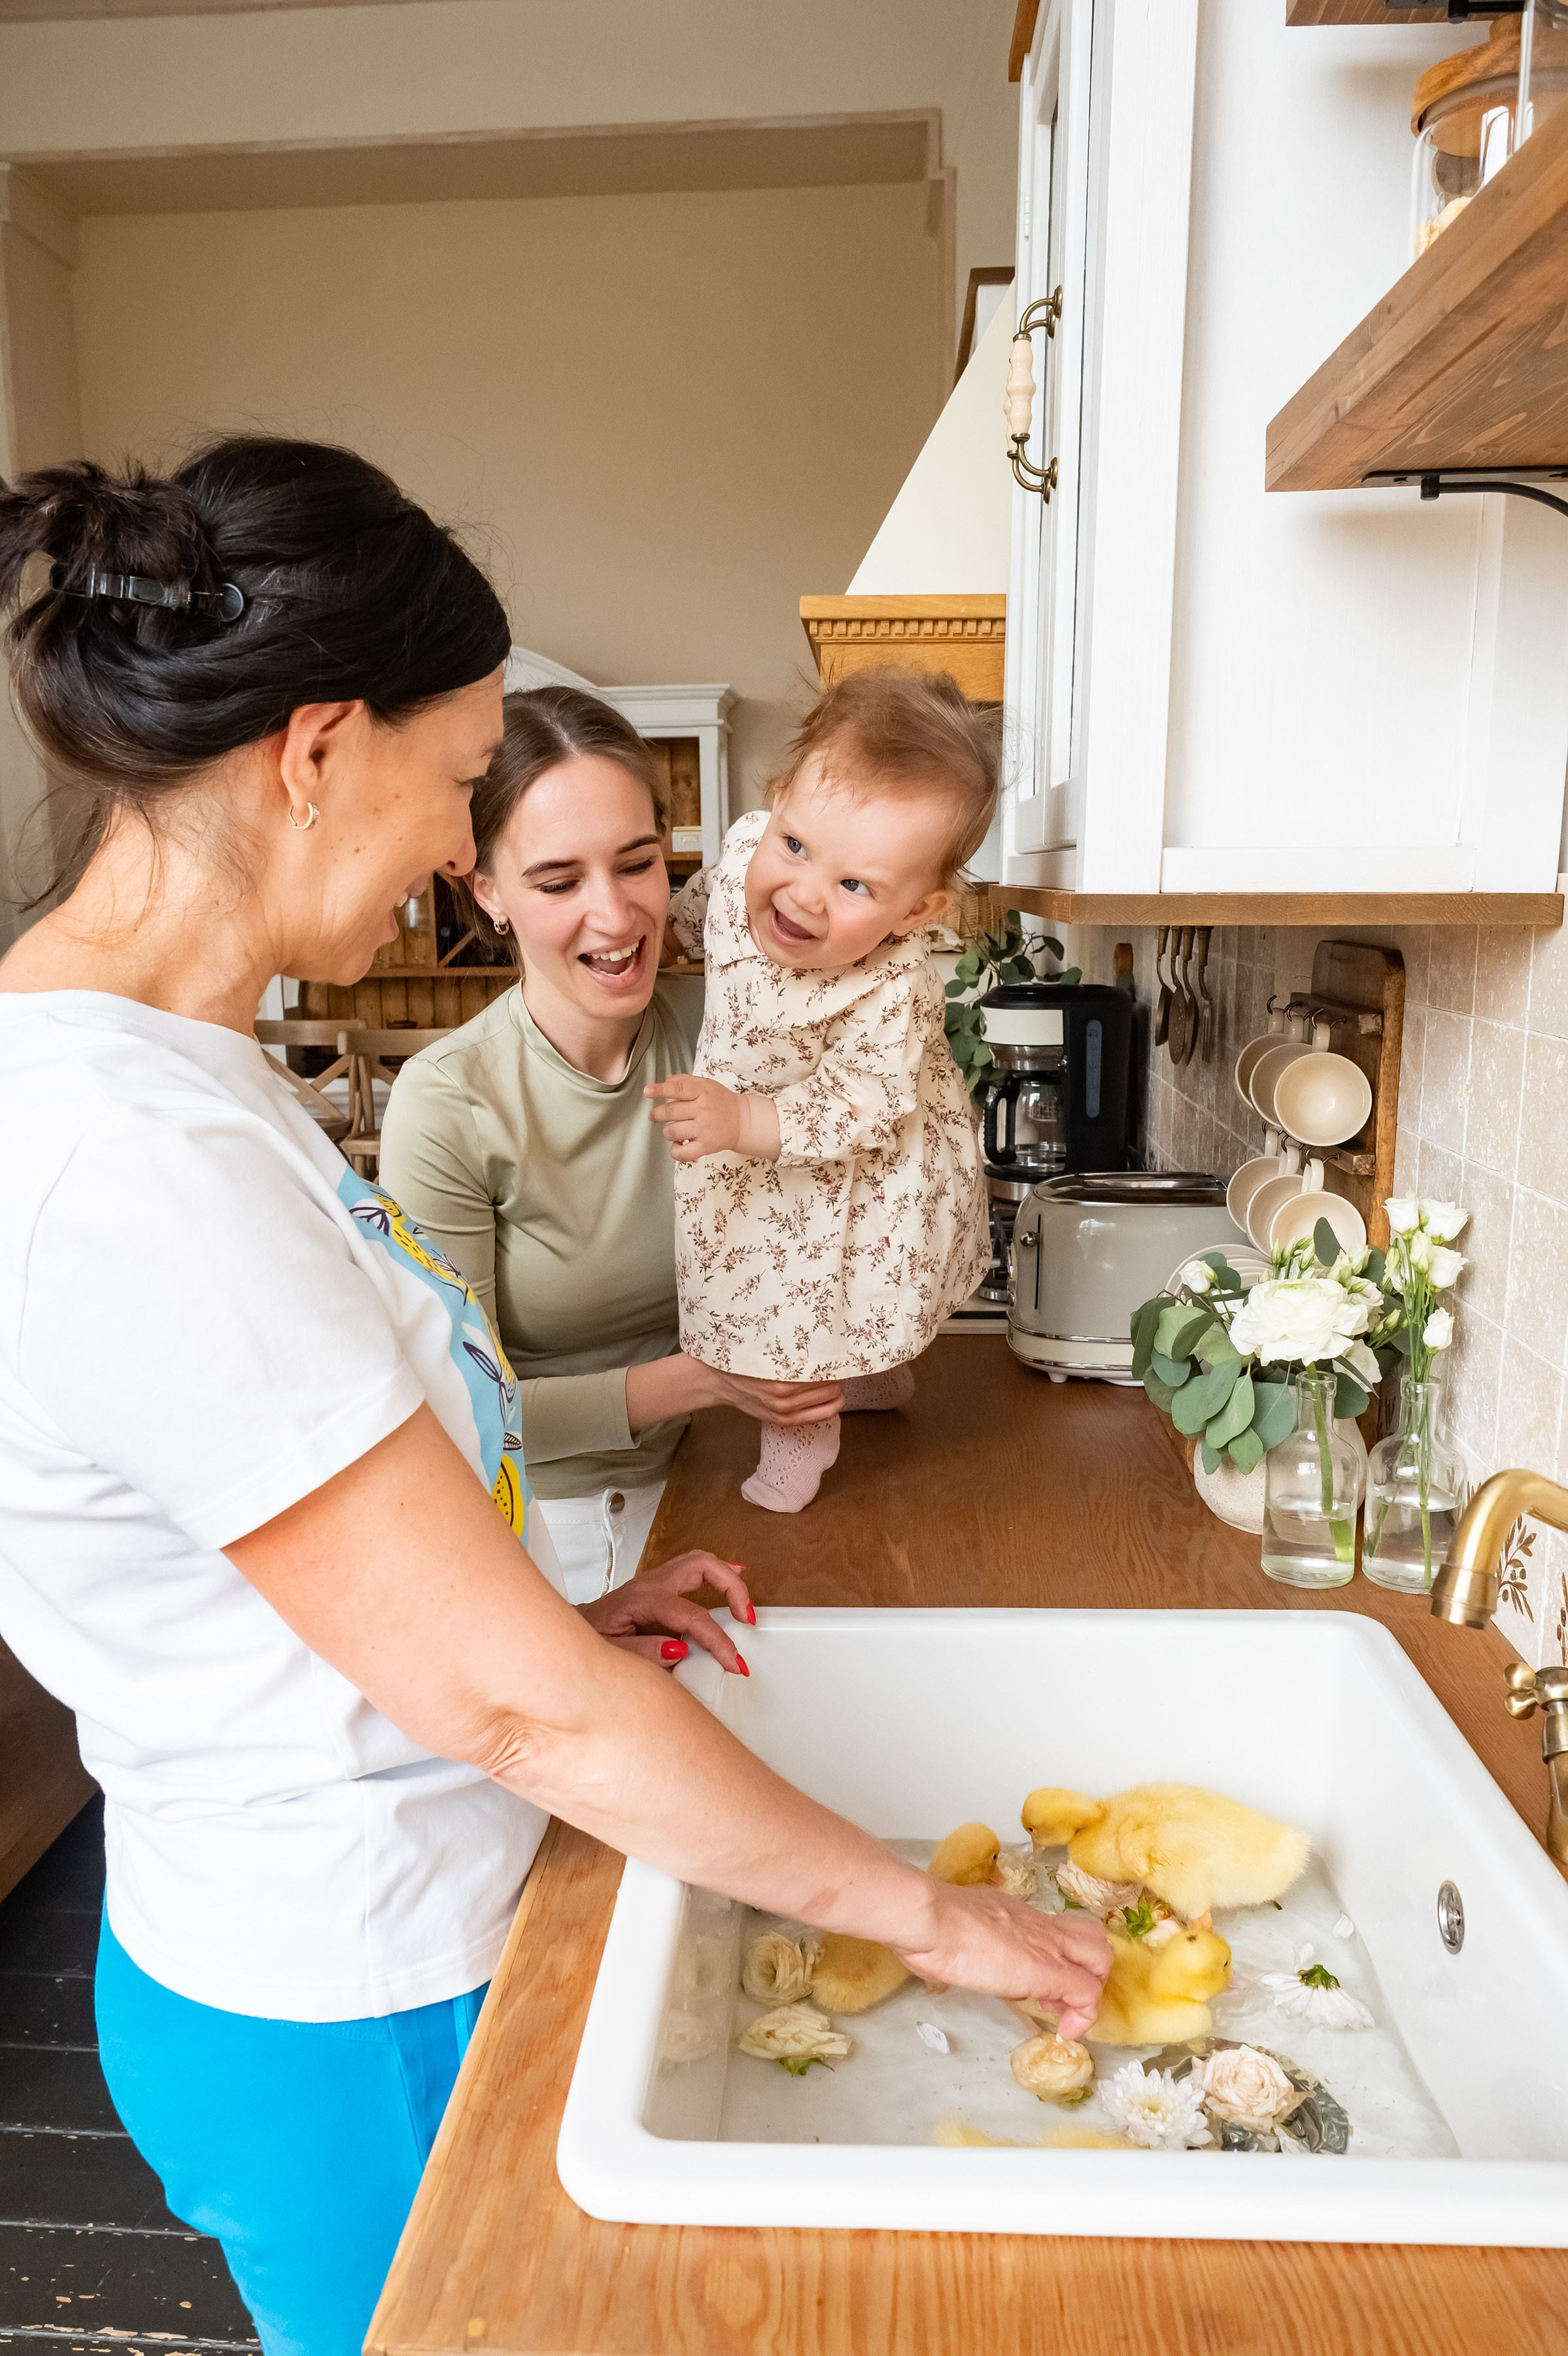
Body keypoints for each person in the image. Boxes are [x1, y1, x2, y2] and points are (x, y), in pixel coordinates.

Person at [0, 440, 1108, 2356]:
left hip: (382, 1916)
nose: (458, 850)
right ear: (316, 748)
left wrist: (573, 1611)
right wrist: (935, 1921)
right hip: (349, 1985)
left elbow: (315, 1558)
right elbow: (505, 1710)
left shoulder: (190, 1081)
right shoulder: (121, 1155)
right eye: (456, 786)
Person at [378, 686, 844, 1599]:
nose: (616, 914)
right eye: (558, 882)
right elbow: (463, 1405)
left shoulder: (727, 1032)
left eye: (637, 865)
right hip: (550, 1534)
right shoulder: (447, 1104)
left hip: (729, 1474)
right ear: (486, 891)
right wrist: (708, 1379)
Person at [647, 668, 993, 1512]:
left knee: (799, 1300)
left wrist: (743, 1116)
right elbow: (702, 917)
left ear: (916, 912)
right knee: (777, 1277)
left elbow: (863, 1102)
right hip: (752, 1141)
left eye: (856, 887)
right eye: (795, 846)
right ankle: (874, 1377)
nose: (803, 893)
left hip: (859, 1163)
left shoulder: (893, 983)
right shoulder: (741, 867)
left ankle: (802, 1437)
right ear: (775, 804)